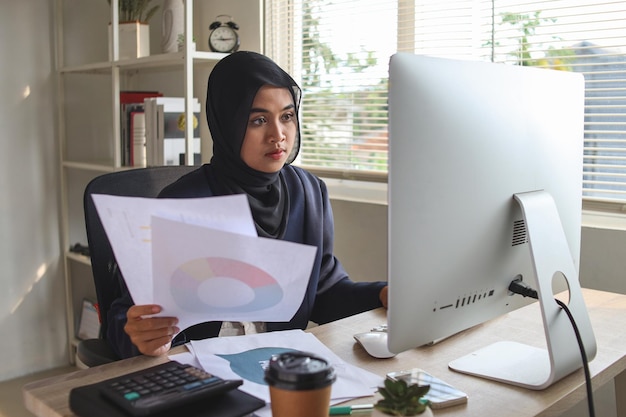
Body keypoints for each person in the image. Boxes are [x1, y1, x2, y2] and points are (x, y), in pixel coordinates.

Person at [107, 51, 388, 359]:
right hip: (201, 368)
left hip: (278, 365)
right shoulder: (181, 204)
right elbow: (125, 320)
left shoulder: (308, 193)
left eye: (287, 116)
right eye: (258, 120)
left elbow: (325, 292)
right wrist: (144, 337)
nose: (278, 135)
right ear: (229, 124)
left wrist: (381, 294)